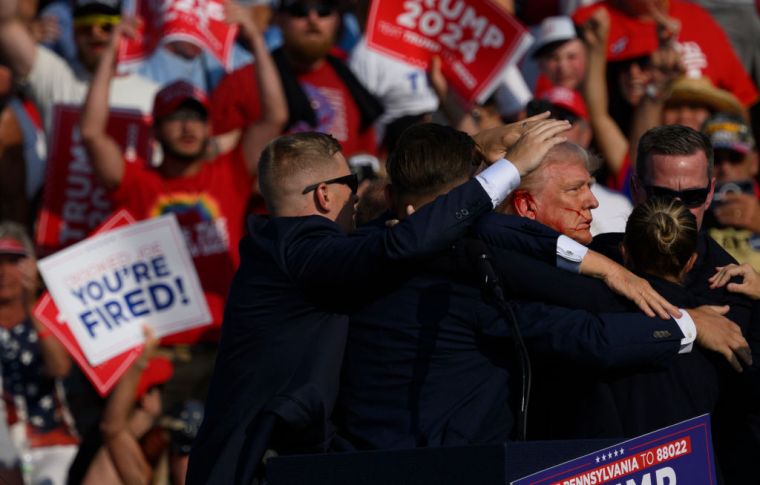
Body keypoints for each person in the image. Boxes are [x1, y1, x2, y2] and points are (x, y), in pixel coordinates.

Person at [187, 117, 574, 484]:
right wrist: (510, 168)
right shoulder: (303, 252)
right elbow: (403, 243)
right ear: (324, 194)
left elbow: (408, 219)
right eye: (351, 182)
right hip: (248, 468)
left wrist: (469, 148)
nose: (357, 195)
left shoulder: (283, 248)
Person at [334, 123, 748, 451]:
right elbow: (586, 336)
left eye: (590, 186)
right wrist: (686, 323)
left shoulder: (374, 247)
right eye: (575, 189)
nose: (593, 202)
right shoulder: (486, 269)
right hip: (461, 459)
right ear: (526, 205)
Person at [79, 12, 286, 409]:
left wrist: (256, 41)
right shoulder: (138, 183)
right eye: (175, 118)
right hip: (157, 353)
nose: (188, 127)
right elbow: (91, 132)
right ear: (155, 129)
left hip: (225, 347)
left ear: (209, 127)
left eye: (196, 117)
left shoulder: (230, 173)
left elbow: (274, 116)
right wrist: (111, 53)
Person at [210, 0, 383, 160]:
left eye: (324, 10)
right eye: (300, 10)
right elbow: (220, 163)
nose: (313, 19)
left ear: (338, 20)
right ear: (278, 19)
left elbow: (367, 152)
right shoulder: (243, 81)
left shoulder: (352, 72)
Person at [0, 222, 77, 485]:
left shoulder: (50, 310)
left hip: (51, 440)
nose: (3, 272)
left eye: (14, 262)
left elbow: (60, 368)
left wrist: (32, 307)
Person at [700, 114, 760, 270]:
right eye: (715, 160)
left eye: (735, 158)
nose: (725, 168)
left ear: (754, 162)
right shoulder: (685, 208)